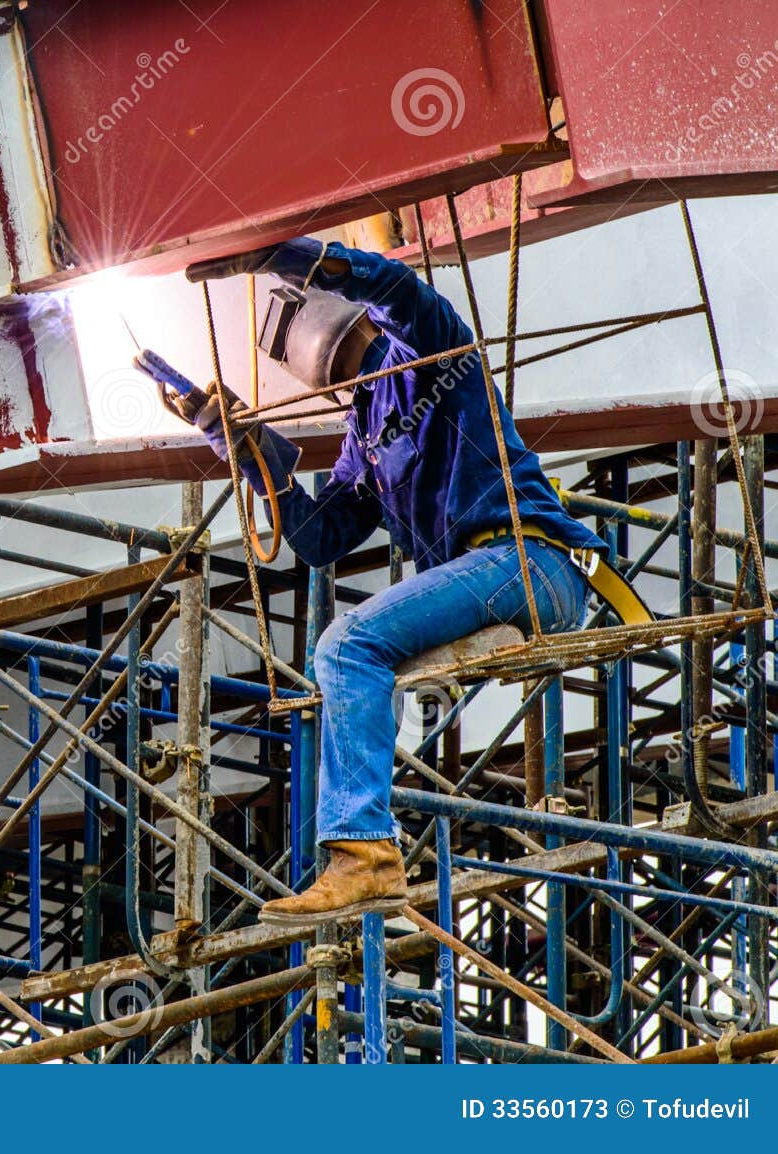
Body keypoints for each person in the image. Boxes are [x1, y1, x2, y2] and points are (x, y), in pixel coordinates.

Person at [180, 237, 611, 926]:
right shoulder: (364, 433)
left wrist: (275, 257)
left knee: (348, 646)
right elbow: (322, 538)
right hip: (500, 578)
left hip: (530, 563)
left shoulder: (425, 349)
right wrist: (242, 447)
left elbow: (394, 286)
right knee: (352, 650)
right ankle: (364, 851)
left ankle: (365, 858)